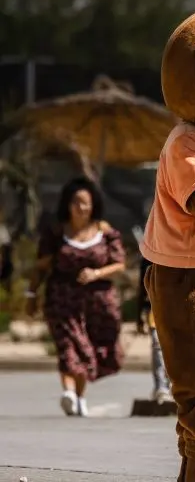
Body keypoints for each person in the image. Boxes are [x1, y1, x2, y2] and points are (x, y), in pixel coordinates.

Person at [26, 177, 126, 417]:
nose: (81, 208)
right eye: (76, 203)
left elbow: (119, 264)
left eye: (86, 203)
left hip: (97, 300)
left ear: (94, 205)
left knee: (88, 348)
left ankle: (79, 396)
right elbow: (40, 267)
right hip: (62, 298)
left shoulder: (105, 231)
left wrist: (96, 273)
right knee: (68, 345)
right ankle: (68, 392)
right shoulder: (57, 233)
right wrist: (31, 293)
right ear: (67, 205)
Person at [135, 256, 174, 404]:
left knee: (176, 347)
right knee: (158, 345)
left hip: (178, 306)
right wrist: (139, 316)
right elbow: (141, 286)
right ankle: (160, 387)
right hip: (154, 306)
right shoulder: (148, 257)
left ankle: (174, 384)